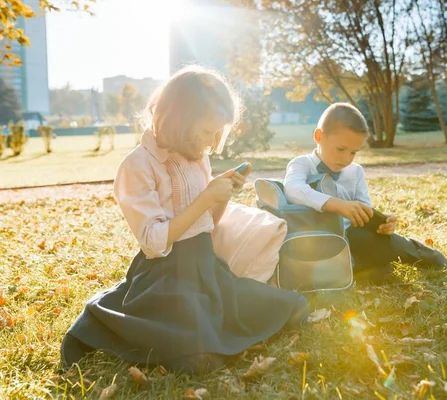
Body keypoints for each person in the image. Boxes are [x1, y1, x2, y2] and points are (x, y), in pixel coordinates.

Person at [61, 65, 308, 375]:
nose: (212, 140)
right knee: (199, 359)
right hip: (165, 277)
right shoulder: (138, 164)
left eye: (218, 132)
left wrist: (221, 196)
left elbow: (208, 224)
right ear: (180, 118)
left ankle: (200, 334)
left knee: (292, 307)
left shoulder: (197, 156)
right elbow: (154, 243)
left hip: (206, 267)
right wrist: (205, 197)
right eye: (207, 131)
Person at [284, 103, 447, 282]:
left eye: (354, 152)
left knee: (384, 242)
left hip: (354, 237)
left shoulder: (355, 172)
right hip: (317, 239)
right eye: (340, 149)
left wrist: (380, 222)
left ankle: (420, 253)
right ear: (319, 136)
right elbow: (293, 189)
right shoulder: (302, 164)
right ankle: (365, 265)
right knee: (360, 260)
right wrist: (337, 204)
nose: (346, 158)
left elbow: (365, 209)